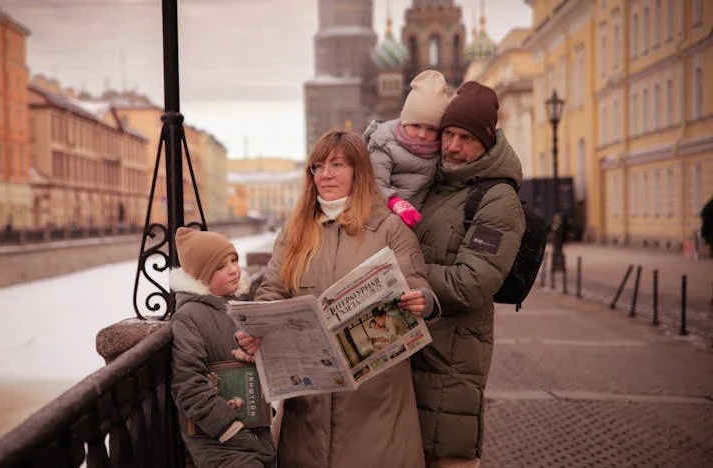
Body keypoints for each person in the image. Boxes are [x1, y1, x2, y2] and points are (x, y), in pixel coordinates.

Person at [236, 130, 438, 468]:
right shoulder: (295, 230)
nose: (325, 174)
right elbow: (272, 289)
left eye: (337, 164)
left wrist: (424, 302)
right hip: (308, 413)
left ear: (359, 171)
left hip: (376, 409)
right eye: (317, 166)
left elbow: (420, 290)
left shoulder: (390, 228)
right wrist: (259, 324)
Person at [411, 81, 527, 468]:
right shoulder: (437, 185)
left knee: (447, 455)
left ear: (487, 140)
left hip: (451, 363)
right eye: (448, 134)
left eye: (465, 137)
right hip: (413, 351)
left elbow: (470, 283)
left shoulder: (498, 199)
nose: (452, 147)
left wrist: (401, 275)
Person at [169, 227, 276, 468]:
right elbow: (187, 385)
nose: (233, 269)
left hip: (254, 434)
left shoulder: (240, 305)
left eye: (234, 259)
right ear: (201, 276)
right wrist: (229, 429)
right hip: (220, 443)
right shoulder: (189, 317)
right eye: (220, 266)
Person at [363, 69, 450, 227]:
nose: (422, 135)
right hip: (381, 219)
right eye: (416, 126)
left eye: (431, 129)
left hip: (416, 223)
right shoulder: (384, 143)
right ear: (404, 121)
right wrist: (395, 202)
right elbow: (374, 183)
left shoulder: (440, 152)